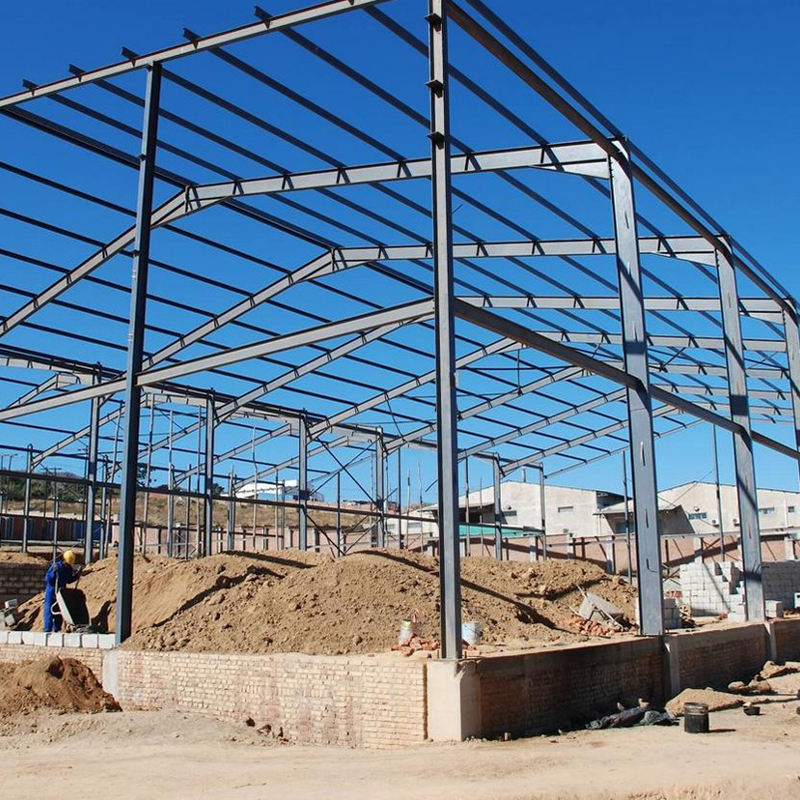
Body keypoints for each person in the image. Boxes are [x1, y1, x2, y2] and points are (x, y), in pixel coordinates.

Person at [43, 550, 80, 632]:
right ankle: (47, 629)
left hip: (61, 592)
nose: (67, 565)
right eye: (67, 563)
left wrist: (76, 576)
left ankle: (57, 628)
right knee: (49, 609)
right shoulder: (56, 566)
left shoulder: (68, 569)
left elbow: (69, 580)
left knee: (60, 609)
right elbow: (48, 579)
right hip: (52, 590)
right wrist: (53, 573)